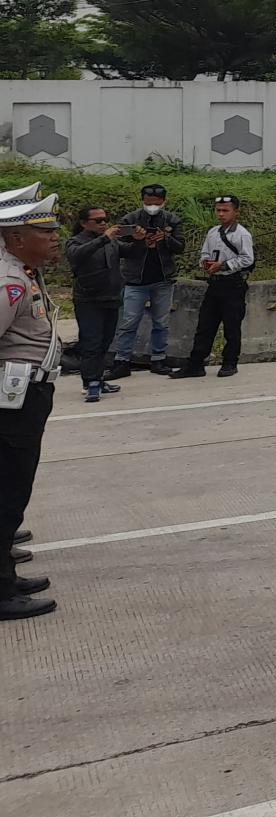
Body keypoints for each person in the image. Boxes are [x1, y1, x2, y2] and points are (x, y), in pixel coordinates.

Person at [1, 188, 63, 620]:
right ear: (16, 238)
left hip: (26, 394)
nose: (56, 236)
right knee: (7, 493)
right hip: (12, 401)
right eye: (45, 230)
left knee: (12, 491)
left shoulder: (22, 273)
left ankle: (6, 574)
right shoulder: (9, 282)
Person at [175, 194, 255, 379]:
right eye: (218, 210)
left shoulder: (241, 234)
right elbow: (204, 252)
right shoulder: (213, 232)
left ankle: (230, 362)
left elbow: (247, 258)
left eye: (225, 210)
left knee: (231, 326)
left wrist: (225, 265)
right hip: (215, 283)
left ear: (235, 212)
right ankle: (195, 364)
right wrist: (205, 263)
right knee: (205, 325)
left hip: (233, 283)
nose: (221, 214)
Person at [110, 183, 185, 377]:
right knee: (129, 322)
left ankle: (158, 359)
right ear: (142, 201)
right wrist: (137, 241)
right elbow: (119, 248)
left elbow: (180, 247)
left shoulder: (172, 220)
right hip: (135, 280)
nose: (152, 206)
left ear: (163, 202)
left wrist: (165, 239)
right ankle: (122, 360)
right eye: (148, 202)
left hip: (162, 278)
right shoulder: (130, 220)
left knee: (161, 322)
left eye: (156, 203)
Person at [63, 205, 123, 404]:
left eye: (105, 219)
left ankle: (98, 377)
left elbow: (129, 252)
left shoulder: (111, 242)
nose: (103, 223)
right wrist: (104, 238)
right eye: (98, 220)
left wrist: (141, 242)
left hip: (111, 297)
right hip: (88, 300)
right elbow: (76, 255)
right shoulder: (75, 242)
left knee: (106, 341)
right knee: (91, 343)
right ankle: (90, 382)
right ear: (83, 223)